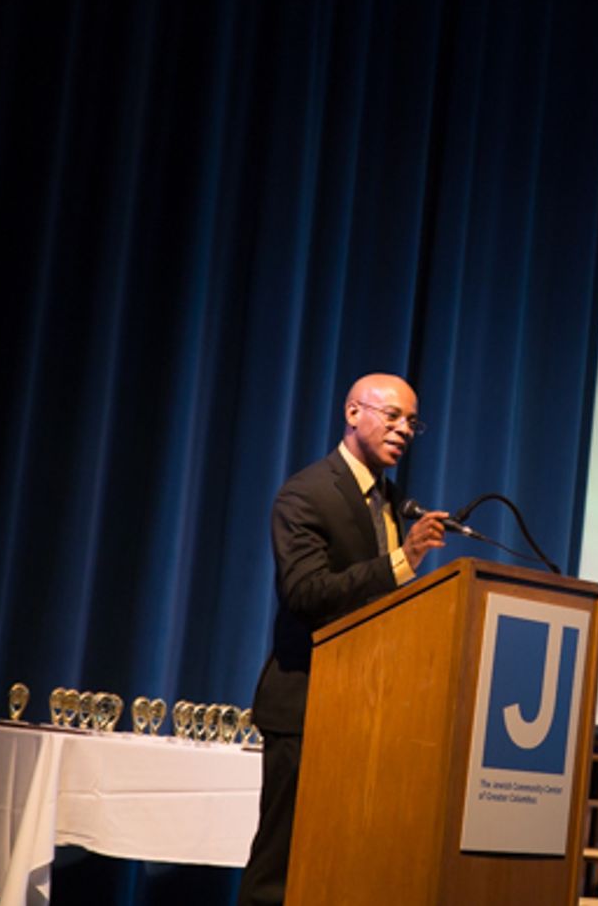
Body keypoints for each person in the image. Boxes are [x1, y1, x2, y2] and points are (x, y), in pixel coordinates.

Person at [237, 373, 448, 906]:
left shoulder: (392, 502)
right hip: (307, 705)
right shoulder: (306, 493)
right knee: (280, 868)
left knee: (347, 859)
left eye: (412, 423)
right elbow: (306, 592)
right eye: (392, 416)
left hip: (369, 709)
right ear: (353, 413)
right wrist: (404, 561)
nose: (403, 430)